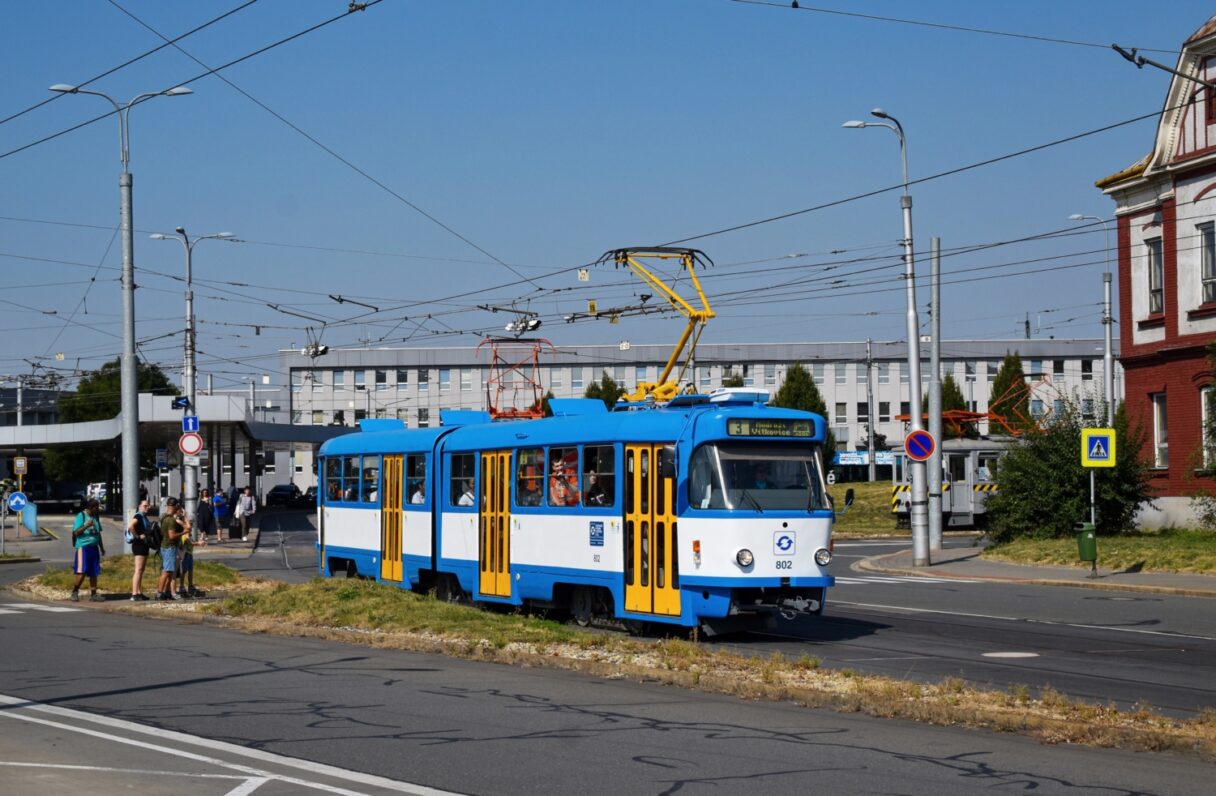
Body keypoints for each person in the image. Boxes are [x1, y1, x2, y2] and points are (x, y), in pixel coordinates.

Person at [70, 498, 105, 602]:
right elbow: (76, 532)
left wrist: (101, 547)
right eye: (96, 507)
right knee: (82, 571)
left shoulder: (95, 517)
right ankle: (75, 591)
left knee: (94, 571)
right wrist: (86, 526)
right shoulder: (81, 516)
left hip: (94, 547)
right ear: (91, 507)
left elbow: (98, 533)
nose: (97, 509)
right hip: (83, 547)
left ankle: (93, 594)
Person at [156, 497, 188, 600]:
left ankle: (167, 591)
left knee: (169, 571)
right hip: (170, 547)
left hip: (164, 546)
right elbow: (172, 536)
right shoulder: (171, 520)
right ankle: (159, 593)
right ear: (175, 506)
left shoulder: (163, 516)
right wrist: (184, 532)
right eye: (178, 506)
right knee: (166, 572)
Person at [128, 499, 154, 601]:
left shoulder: (144, 517)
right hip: (138, 545)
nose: (147, 507)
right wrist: (137, 536)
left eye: (148, 506)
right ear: (139, 506)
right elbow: (130, 526)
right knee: (138, 570)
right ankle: (134, 594)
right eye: (145, 506)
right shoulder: (138, 516)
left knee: (141, 570)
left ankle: (138, 592)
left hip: (144, 545)